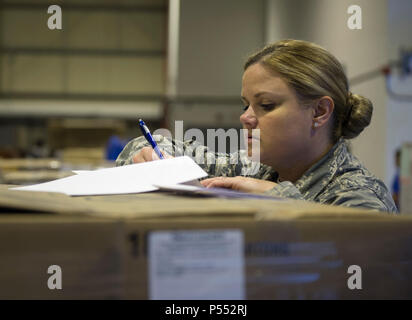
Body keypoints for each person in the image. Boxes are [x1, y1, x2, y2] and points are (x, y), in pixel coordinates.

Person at [116, 39, 397, 213]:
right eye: (245, 105)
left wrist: (282, 200)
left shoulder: (360, 197)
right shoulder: (255, 169)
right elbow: (142, 145)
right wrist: (153, 156)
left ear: (319, 112)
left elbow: (358, 269)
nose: (245, 118)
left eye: (266, 105)